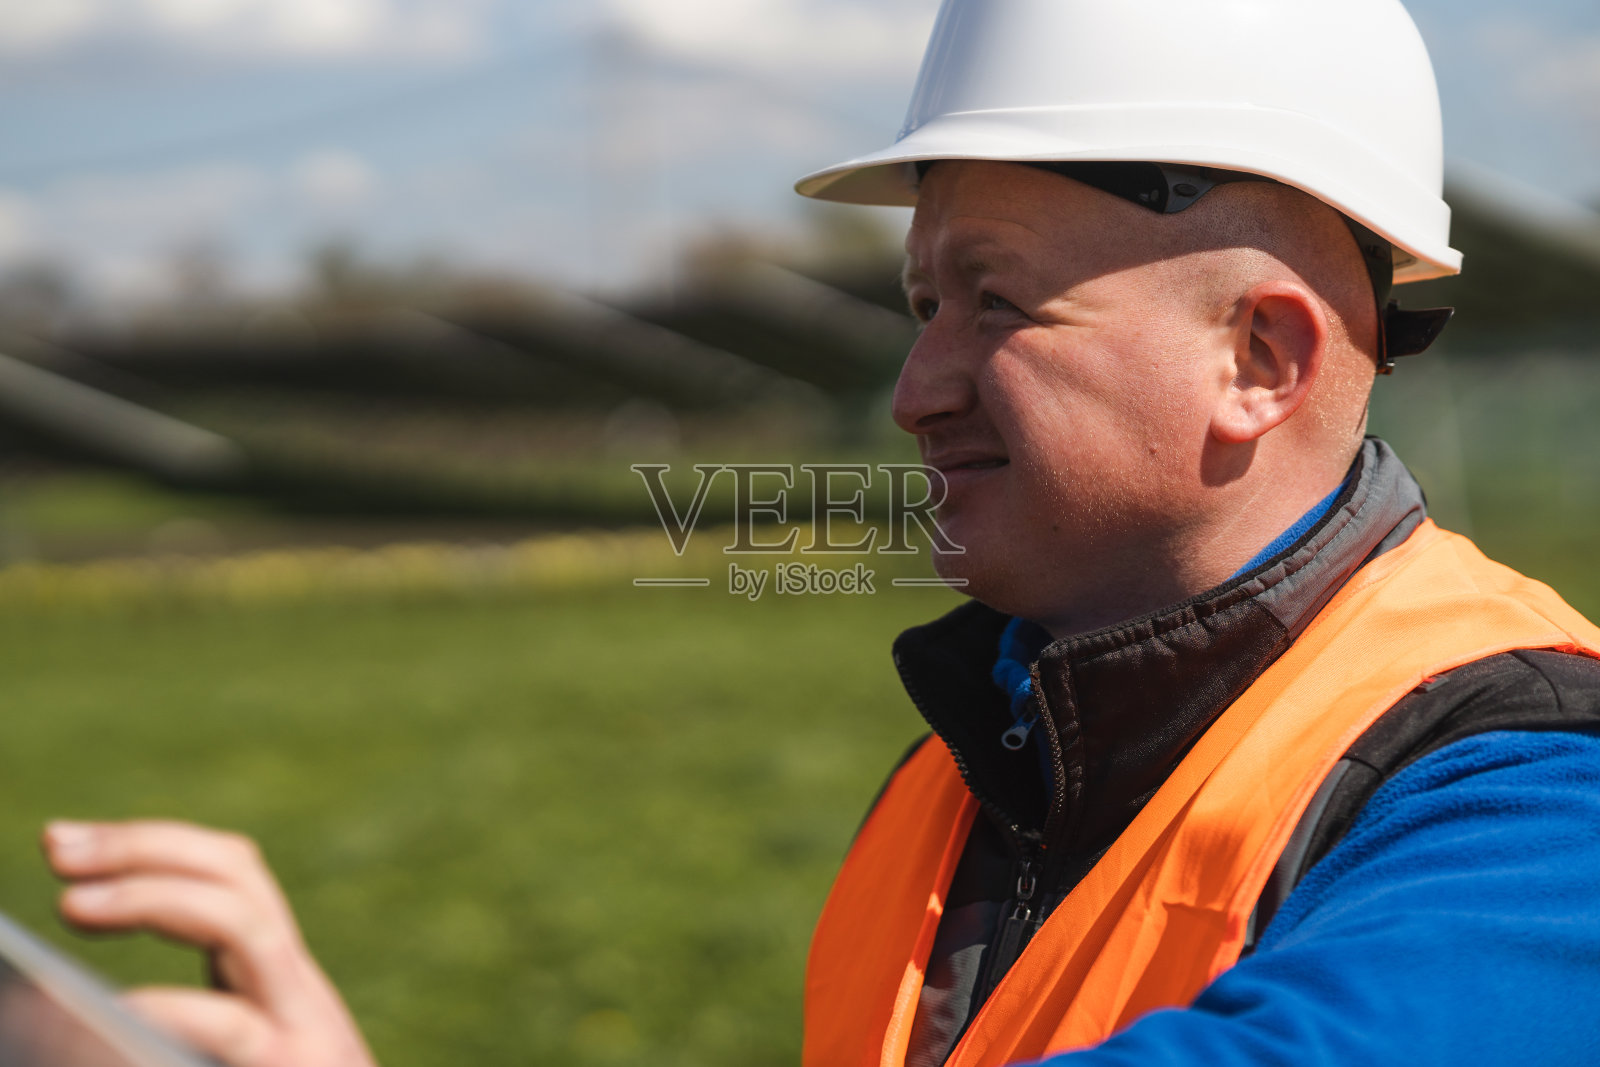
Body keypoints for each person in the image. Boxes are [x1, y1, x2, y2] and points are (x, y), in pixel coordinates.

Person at [41, 1, 1600, 1065]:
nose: (917, 390)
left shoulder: (1536, 794)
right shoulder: (976, 763)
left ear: (1261, 357)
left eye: (998, 301)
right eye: (922, 303)